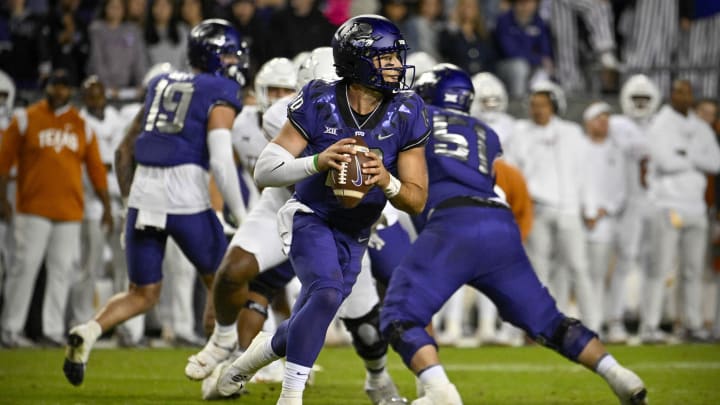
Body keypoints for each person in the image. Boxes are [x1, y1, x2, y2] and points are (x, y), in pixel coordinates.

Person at [379, 62, 648, 405]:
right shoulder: (484, 133)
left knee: (399, 316)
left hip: (451, 223)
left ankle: (440, 391)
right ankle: (618, 374)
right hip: (498, 224)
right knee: (551, 322)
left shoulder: (414, 118)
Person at [213, 14, 430, 404]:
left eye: (398, 57)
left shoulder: (408, 109)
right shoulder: (319, 97)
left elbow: (415, 199)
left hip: (360, 230)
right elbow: (266, 169)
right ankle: (290, 397)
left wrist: (386, 180)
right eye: (386, 58)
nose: (397, 65)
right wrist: (317, 161)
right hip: (311, 216)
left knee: (310, 317)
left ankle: (240, 367)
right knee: (326, 293)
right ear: (358, 62)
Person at [62, 19, 248, 386]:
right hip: (185, 191)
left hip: (144, 192)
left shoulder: (161, 83)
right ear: (212, 57)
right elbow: (222, 161)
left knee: (142, 293)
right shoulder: (220, 89)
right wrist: (241, 215)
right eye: (228, 54)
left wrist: (131, 204)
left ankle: (89, 331)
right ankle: (215, 373)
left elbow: (123, 150)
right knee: (221, 283)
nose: (233, 62)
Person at [0, 69, 112, 348]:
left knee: (62, 272)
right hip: (31, 208)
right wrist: (3, 199)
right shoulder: (26, 118)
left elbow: (97, 170)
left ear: (70, 91)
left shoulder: (81, 125)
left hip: (70, 211)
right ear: (45, 87)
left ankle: (51, 330)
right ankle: (9, 330)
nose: (60, 91)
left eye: (64, 87)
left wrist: (107, 205)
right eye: (55, 86)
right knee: (23, 268)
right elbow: (3, 162)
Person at [641, 79, 720, 343]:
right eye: (677, 92)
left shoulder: (700, 127)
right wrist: (696, 158)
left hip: (696, 206)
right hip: (668, 205)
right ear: (671, 95)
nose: (682, 96)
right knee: (660, 267)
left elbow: (717, 161)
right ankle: (650, 325)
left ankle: (693, 324)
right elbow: (664, 162)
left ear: (693, 95)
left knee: (693, 269)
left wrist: (686, 154)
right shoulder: (660, 123)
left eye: (687, 92)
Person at [605, 74, 661, 343]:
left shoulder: (661, 125)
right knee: (625, 261)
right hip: (630, 201)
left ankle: (650, 324)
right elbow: (634, 147)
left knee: (655, 264)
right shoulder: (619, 124)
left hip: (658, 201)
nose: (640, 104)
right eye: (636, 98)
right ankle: (615, 320)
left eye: (645, 99)